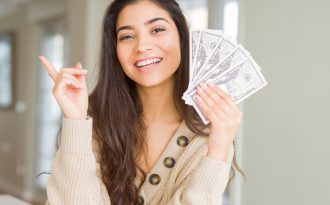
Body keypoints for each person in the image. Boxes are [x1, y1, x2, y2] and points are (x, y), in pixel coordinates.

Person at [39, 0, 243, 204]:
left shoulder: (212, 132)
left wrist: (217, 151)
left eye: (157, 29)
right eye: (127, 36)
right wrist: (76, 121)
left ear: (182, 37)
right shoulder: (95, 118)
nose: (142, 46)